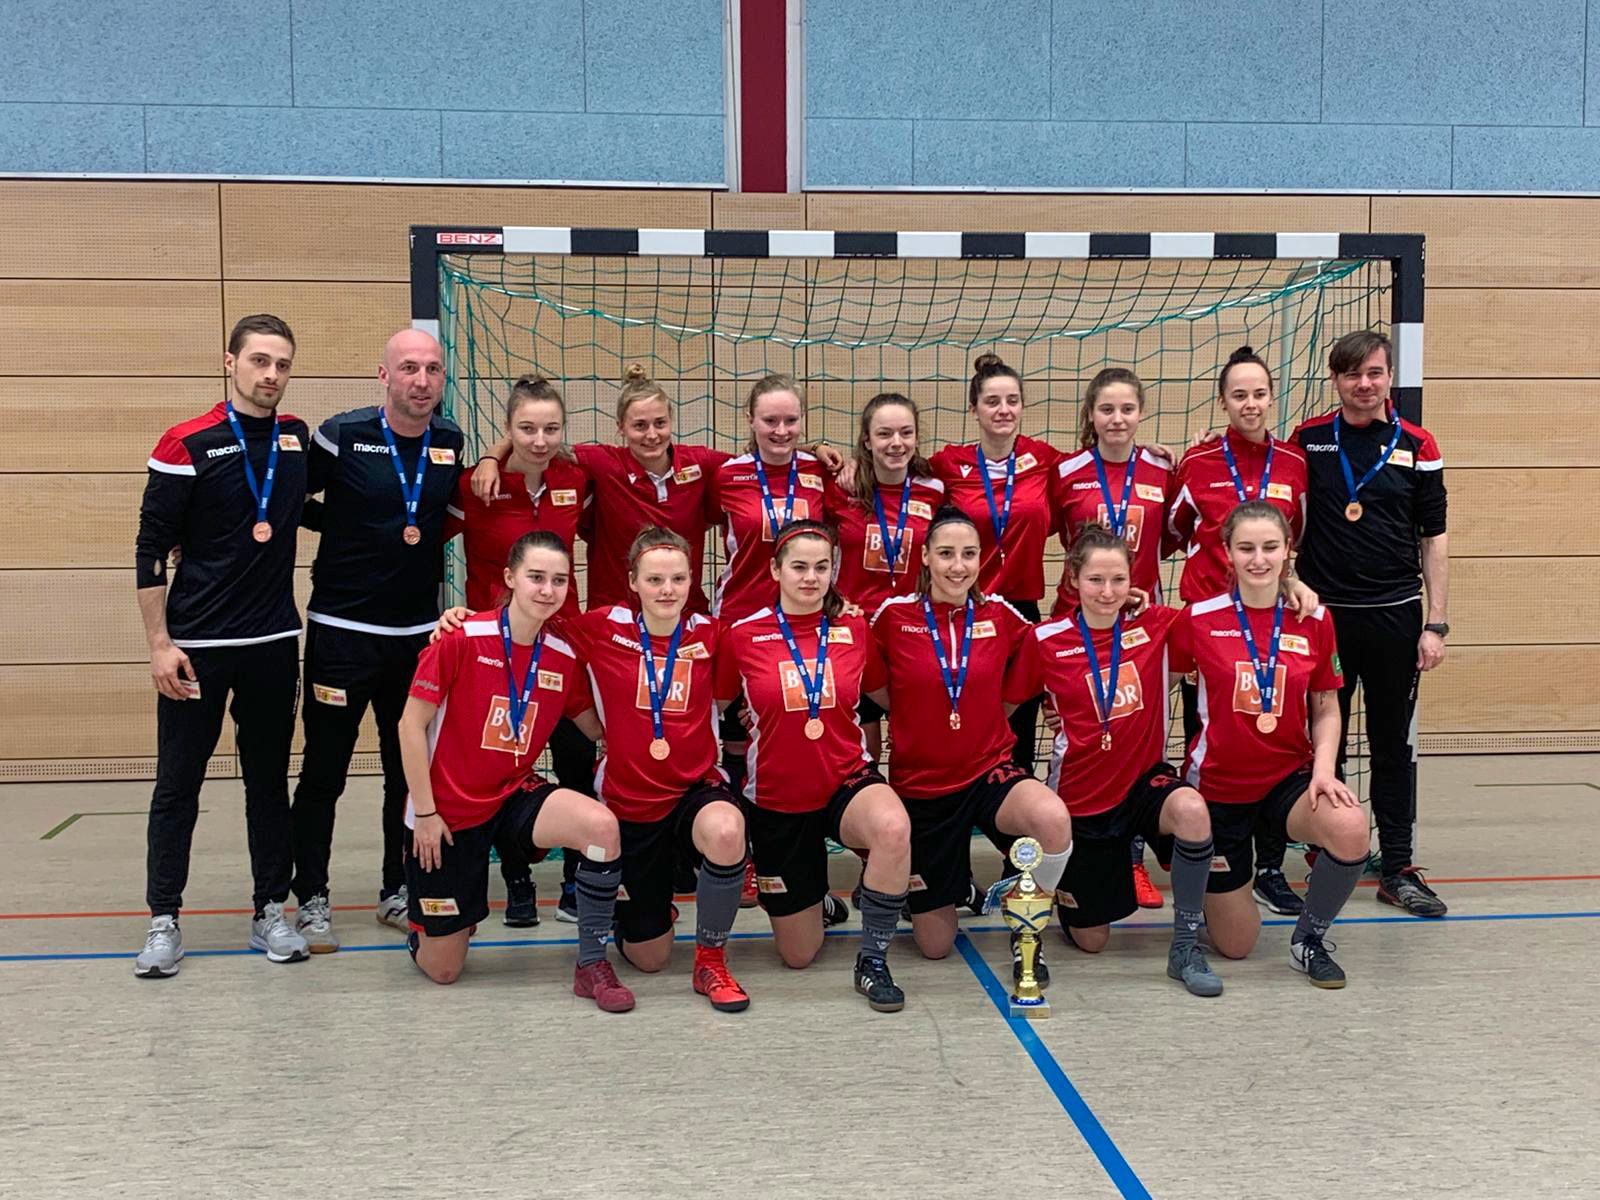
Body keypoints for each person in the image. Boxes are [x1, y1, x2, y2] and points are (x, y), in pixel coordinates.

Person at [133, 313, 310, 977]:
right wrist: (159, 644)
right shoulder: (185, 443)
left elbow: (324, 502)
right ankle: (163, 920)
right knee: (177, 784)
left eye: (283, 364)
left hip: (271, 644)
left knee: (268, 782)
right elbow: (152, 549)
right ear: (230, 361)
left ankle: (271, 909)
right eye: (260, 360)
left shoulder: (296, 439)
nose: (271, 375)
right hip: (197, 649)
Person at [399, 531, 634, 1011]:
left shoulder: (563, 656)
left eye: (559, 580)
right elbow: (409, 726)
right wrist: (425, 813)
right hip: (447, 812)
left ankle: (592, 962)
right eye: (536, 578)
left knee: (599, 826)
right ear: (510, 578)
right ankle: (433, 927)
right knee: (444, 971)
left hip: (511, 796)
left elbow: (594, 727)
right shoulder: (459, 637)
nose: (547, 590)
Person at [286, 328, 466, 952]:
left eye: (433, 370)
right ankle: (311, 897)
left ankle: (396, 888)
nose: (422, 380)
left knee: (405, 769)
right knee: (325, 771)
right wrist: (343, 524)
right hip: (342, 632)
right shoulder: (341, 434)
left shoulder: (450, 441)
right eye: (409, 368)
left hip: (416, 637)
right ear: (384, 376)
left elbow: (451, 512)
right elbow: (289, 497)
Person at [1005, 524, 1222, 996]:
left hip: (1145, 784)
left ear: (1133, 581)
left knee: (1191, 810)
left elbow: (1227, 613)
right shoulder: (1045, 640)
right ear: (1073, 580)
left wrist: (1292, 583)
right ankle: (1056, 902)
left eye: (1118, 580)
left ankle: (1184, 945)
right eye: (1096, 580)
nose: (1107, 592)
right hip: (1082, 802)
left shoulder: (1160, 626)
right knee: (1092, 940)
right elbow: (1005, 711)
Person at [1168, 501, 1371, 988]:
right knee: (1237, 946)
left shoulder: (1314, 618)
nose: (1258, 559)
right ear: (1228, 554)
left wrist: (1324, 771)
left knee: (1349, 826)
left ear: (1288, 553)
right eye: (1246, 548)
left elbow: (1326, 706)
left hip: (1288, 778)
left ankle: (1309, 941)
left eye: (1269, 547)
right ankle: (1194, 891)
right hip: (1218, 787)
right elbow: (1160, 688)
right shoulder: (1197, 619)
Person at [713, 521, 913, 1012]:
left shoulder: (855, 627)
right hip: (778, 798)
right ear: (776, 570)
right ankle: (816, 899)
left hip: (845, 778)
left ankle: (873, 960)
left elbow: (885, 697)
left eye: (821, 567)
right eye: (799, 567)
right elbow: (712, 707)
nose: (810, 578)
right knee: (798, 955)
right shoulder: (741, 635)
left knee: (892, 827)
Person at [869, 508, 1072, 982]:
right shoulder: (892, 617)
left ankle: (1027, 929)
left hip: (988, 770)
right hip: (923, 788)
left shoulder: (1001, 614)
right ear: (924, 557)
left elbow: (1058, 645)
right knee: (935, 946)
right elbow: (862, 677)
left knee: (1052, 819)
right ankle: (950, 888)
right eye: (945, 554)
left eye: (968, 554)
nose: (957, 566)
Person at [1292, 329, 1450, 917]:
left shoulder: (1418, 444)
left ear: (1389, 378)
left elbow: (1433, 540)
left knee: (1391, 746)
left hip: (1393, 618)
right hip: (1322, 621)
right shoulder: (1308, 441)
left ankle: (1399, 865)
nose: (1365, 384)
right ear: (1336, 379)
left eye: (1375, 373)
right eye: (1353, 374)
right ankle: (1323, 847)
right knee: (1315, 742)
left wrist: (1436, 623)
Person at [568, 528, 751, 1011]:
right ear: (633, 582)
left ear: (692, 581)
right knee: (649, 958)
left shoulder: (712, 636)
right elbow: (534, 630)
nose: (667, 589)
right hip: (631, 799)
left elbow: (727, 696)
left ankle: (711, 959)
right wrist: (460, 619)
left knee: (729, 829)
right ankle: (650, 911)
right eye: (654, 579)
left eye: (677, 578)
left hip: (694, 787)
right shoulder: (601, 626)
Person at [447, 375, 594, 927]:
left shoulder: (576, 480)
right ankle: (517, 881)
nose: (540, 439)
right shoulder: (475, 487)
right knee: (505, 769)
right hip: (498, 659)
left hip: (564, 651)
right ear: (507, 430)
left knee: (579, 760)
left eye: (551, 428)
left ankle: (580, 881)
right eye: (526, 428)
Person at [1169, 345, 1310, 918]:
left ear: (1271, 397)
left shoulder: (1296, 464)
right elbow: (1171, 536)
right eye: (1238, 394)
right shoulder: (1195, 464)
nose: (1250, 403)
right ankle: (1214, 859)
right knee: (1210, 741)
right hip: (1209, 627)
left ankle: (1270, 866)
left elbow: (1293, 535)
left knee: (1274, 739)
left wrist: (1292, 582)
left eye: (1259, 393)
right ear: (1222, 401)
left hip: (1273, 625)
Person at [1049, 366, 1177, 911]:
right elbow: (1060, 534)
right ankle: (1060, 851)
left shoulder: (1164, 469)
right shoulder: (1067, 471)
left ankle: (1134, 857)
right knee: (1070, 740)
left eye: (1127, 409)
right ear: (1091, 416)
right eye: (1106, 409)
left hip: (1137, 629)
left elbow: (1172, 538)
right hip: (1077, 623)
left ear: (1141, 414)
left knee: (1139, 741)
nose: (1117, 419)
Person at [470, 363, 730, 616]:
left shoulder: (700, 463)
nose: (651, 435)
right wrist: (491, 457)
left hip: (684, 614)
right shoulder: (602, 463)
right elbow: (541, 442)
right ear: (620, 427)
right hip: (613, 617)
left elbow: (751, 464)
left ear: (671, 421)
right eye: (639, 425)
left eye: (660, 423)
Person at [928, 354, 1062, 775]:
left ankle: (1014, 807)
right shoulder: (948, 464)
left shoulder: (1046, 460)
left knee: (1019, 718)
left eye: (1012, 400)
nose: (1003, 410)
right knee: (963, 709)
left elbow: (1103, 463)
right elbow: (889, 469)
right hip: (966, 607)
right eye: (992, 401)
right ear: (974, 409)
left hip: (1021, 609)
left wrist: (1152, 451)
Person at [826, 392, 945, 759]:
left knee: (916, 746)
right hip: (855, 633)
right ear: (866, 440)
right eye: (884, 434)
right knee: (865, 754)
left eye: (906, 433)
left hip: (911, 635)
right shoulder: (839, 489)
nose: (896, 443)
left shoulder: (935, 491)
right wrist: (820, 448)